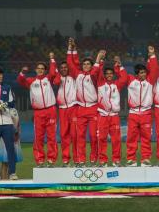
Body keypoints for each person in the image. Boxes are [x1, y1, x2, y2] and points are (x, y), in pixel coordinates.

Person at [66, 37, 101, 165]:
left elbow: (96, 71)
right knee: (79, 137)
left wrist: (97, 60)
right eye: (84, 64)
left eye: (88, 64)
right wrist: (71, 49)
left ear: (92, 66)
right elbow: (70, 63)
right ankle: (81, 159)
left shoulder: (95, 75)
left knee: (93, 136)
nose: (86, 66)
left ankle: (93, 157)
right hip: (80, 109)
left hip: (93, 108)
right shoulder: (78, 74)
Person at [17, 59, 58, 167]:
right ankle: (39, 160)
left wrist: (52, 59)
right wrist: (23, 72)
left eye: (42, 69)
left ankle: (51, 160)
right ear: (35, 70)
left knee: (51, 136)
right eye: (38, 68)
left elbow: (53, 73)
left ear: (45, 71)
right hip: (38, 112)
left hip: (50, 110)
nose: (40, 70)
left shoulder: (48, 78)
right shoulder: (31, 81)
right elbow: (20, 81)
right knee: (38, 137)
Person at [124, 46, 159, 166]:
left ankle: (145, 158)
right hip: (133, 113)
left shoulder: (150, 81)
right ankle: (131, 158)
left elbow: (154, 69)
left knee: (146, 137)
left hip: (146, 113)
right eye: (141, 73)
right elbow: (122, 73)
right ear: (136, 74)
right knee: (131, 138)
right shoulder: (130, 80)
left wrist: (152, 54)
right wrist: (117, 65)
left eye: (145, 72)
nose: (144, 74)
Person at [96, 53, 128, 166]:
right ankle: (103, 161)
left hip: (114, 116)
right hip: (103, 115)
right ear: (104, 75)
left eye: (111, 73)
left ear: (113, 75)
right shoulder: (100, 83)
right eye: (107, 74)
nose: (109, 75)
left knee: (116, 140)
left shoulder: (117, 84)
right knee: (102, 139)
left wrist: (119, 66)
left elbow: (124, 78)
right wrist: (100, 61)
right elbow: (97, 73)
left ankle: (116, 160)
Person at [50, 47, 79, 166]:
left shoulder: (74, 76)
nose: (64, 69)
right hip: (62, 109)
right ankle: (66, 160)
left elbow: (74, 63)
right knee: (64, 135)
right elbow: (54, 77)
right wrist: (52, 60)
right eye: (61, 68)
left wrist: (70, 50)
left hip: (73, 108)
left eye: (65, 67)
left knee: (75, 135)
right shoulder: (58, 78)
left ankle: (78, 160)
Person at [0, 107, 23, 179]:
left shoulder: (14, 110)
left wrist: (18, 134)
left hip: (15, 138)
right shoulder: (3, 109)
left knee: (12, 161)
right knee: (5, 162)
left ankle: (10, 180)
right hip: (5, 139)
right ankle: (3, 181)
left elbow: (18, 123)